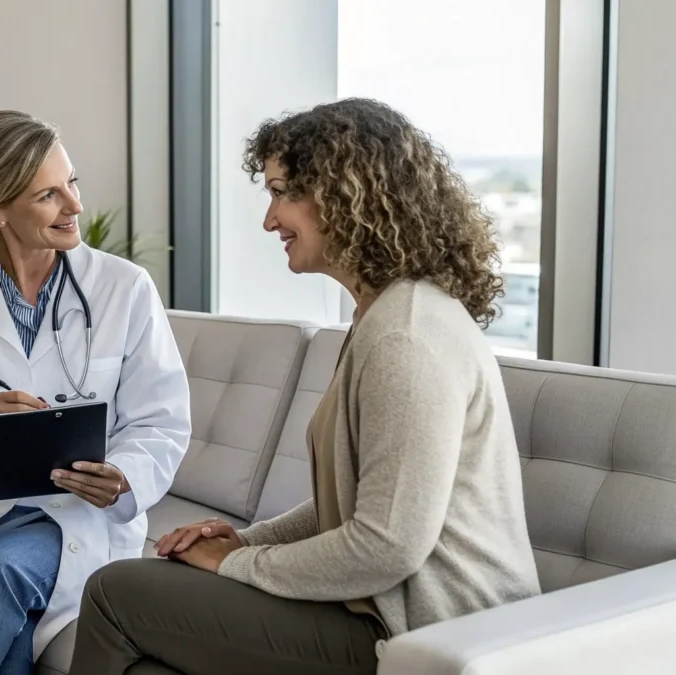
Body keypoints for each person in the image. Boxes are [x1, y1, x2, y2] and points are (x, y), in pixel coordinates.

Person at [68, 98, 542, 675]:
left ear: (348, 192)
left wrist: (236, 565)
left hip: (431, 632)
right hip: (387, 612)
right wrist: (244, 540)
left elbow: (386, 546)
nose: (269, 221)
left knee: (116, 593)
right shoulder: (382, 316)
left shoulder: (406, 337)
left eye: (281, 193)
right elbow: (353, 506)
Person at [0, 110, 191, 675]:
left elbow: (161, 421)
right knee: (2, 605)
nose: (75, 206)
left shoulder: (124, 288)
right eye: (48, 195)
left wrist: (122, 477)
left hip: (80, 513)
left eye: (71, 182)